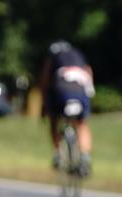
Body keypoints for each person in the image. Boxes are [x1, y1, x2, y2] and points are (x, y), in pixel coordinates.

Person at [38, 40, 95, 176]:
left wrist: (45, 106)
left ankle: (57, 153)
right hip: (81, 87)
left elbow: (45, 81)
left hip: (62, 89)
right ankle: (85, 158)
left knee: (54, 120)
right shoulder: (78, 54)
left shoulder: (53, 58)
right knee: (81, 123)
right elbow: (88, 72)